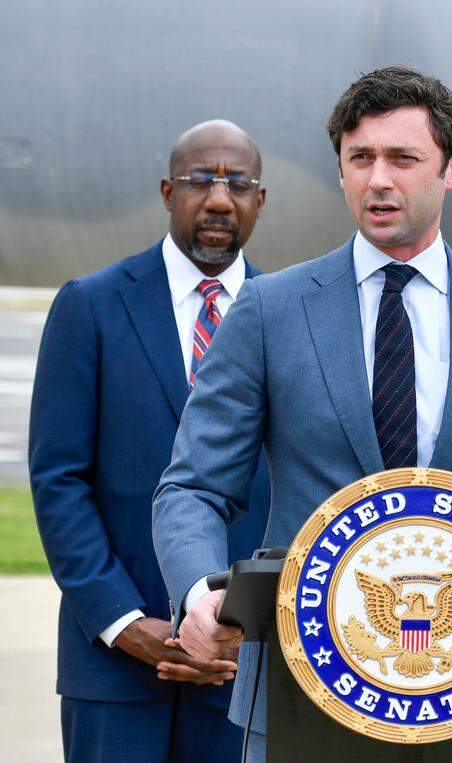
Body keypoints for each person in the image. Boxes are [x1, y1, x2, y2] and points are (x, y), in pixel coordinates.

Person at [151, 67, 452, 757]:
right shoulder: (269, 311)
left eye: (403, 158)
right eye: (360, 158)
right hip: (299, 688)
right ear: (339, 167)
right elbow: (193, 486)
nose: (378, 180)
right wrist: (197, 592)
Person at [28, 120, 272, 761]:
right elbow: (59, 480)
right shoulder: (90, 305)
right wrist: (125, 623)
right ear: (168, 192)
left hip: (244, 670)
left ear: (259, 200)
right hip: (114, 669)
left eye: (238, 184)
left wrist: (239, 629)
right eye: (200, 180)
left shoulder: (288, 317)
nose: (219, 200)